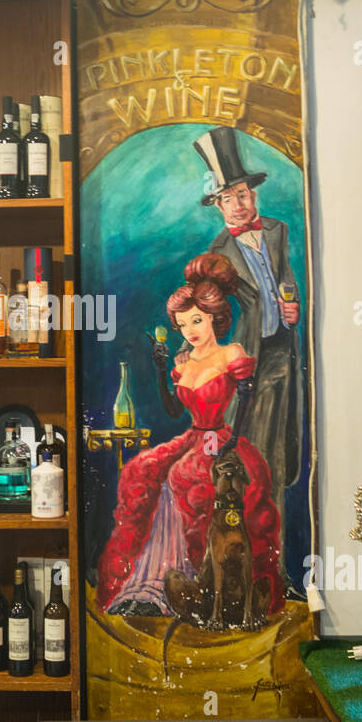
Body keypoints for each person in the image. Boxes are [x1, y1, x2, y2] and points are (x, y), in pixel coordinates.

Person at [97, 253, 284, 620]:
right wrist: (159, 364)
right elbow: (171, 410)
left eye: (196, 320)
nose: (191, 330)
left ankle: (182, 578)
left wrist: (232, 443)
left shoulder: (232, 353)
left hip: (221, 438)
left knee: (180, 477)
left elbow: (245, 400)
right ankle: (150, 583)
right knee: (142, 470)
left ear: (215, 317)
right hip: (194, 435)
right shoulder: (183, 360)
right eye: (183, 324)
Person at [196, 126, 303, 495]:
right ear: (219, 206)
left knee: (281, 426)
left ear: (253, 195)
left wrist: (294, 307)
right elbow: (211, 309)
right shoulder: (217, 251)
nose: (238, 204)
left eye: (242, 195)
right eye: (229, 198)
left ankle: (273, 495)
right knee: (249, 431)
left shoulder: (277, 231)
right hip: (251, 349)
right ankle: (251, 499)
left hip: (284, 346)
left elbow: (287, 279)